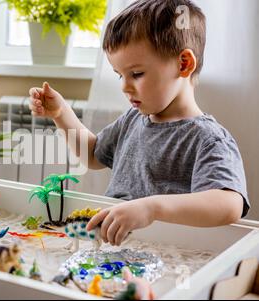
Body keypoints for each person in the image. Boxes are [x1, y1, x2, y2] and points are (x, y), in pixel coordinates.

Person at [28, 0, 250, 246]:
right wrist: (61, 113)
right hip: (113, 248)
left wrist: (151, 208)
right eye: (119, 75)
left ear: (183, 64)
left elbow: (230, 204)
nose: (124, 86)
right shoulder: (133, 119)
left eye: (136, 74)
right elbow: (92, 154)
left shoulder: (208, 139)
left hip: (164, 255)